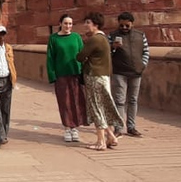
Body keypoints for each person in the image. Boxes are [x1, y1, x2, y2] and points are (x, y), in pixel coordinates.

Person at [76, 12, 123, 151]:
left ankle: (100, 142)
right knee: (102, 107)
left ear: (95, 24)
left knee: (96, 107)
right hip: (103, 76)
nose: (85, 25)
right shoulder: (104, 38)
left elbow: (80, 56)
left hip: (94, 75)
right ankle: (111, 136)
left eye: (88, 22)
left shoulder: (95, 39)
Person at [46, 14, 88, 142]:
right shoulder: (54, 39)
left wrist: (84, 72)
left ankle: (74, 127)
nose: (68, 26)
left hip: (76, 73)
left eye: (70, 24)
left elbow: (83, 54)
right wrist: (52, 75)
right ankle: (67, 127)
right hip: (61, 75)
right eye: (65, 23)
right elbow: (50, 58)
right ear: (60, 24)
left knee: (77, 101)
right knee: (65, 102)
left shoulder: (76, 37)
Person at [108, 12, 150, 137]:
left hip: (136, 72)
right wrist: (113, 47)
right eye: (122, 25)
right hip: (119, 72)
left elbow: (146, 52)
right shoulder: (112, 36)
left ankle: (131, 127)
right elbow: (106, 53)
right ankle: (119, 128)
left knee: (133, 100)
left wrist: (142, 65)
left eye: (127, 25)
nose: (124, 28)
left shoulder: (140, 35)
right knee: (120, 101)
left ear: (132, 24)